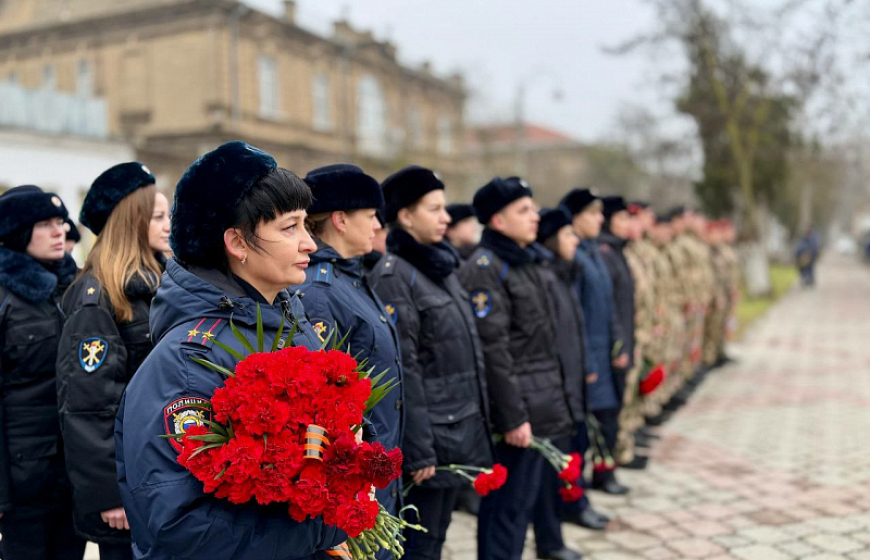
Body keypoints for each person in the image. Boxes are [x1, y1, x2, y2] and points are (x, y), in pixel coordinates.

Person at [115, 141, 345, 560]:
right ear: (237, 243)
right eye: (290, 228)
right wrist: (322, 528)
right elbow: (180, 524)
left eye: (306, 227)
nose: (310, 244)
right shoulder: (187, 362)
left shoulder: (291, 321)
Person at [369, 165, 492, 560]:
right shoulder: (395, 276)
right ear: (405, 215)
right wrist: (419, 450)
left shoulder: (441, 267)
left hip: (455, 425)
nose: (446, 218)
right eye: (434, 209)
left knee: (437, 534)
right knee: (419, 543)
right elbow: (406, 369)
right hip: (431, 438)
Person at [458, 178, 578, 560]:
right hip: (517, 414)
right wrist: (513, 418)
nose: (535, 216)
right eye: (524, 210)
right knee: (506, 510)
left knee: (522, 504)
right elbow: (495, 351)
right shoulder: (486, 267)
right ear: (498, 220)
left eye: (534, 208)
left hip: (539, 403)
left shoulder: (524, 261)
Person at [56, 163, 168, 560]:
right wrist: (109, 494)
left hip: (161, 476)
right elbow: (87, 405)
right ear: (133, 221)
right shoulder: (98, 295)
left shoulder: (162, 284)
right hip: (127, 491)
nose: (169, 225)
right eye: (158, 216)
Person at [298, 164, 404, 525]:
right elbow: (326, 396)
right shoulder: (319, 290)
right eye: (372, 215)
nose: (378, 225)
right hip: (356, 473)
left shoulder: (352, 277)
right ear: (340, 219)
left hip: (378, 459)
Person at [0, 186, 85, 560]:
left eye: (61, 222)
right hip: (23, 486)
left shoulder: (78, 288)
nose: (59, 231)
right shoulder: (5, 298)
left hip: (74, 477)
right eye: (45, 224)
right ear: (18, 232)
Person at [559, 189, 627, 496]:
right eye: (592, 213)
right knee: (589, 427)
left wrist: (619, 343)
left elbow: (608, 304)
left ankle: (603, 474)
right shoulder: (576, 257)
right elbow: (574, 317)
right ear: (575, 218)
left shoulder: (595, 253)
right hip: (589, 356)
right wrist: (586, 363)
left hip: (604, 352)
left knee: (607, 418)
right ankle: (577, 489)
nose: (601, 218)